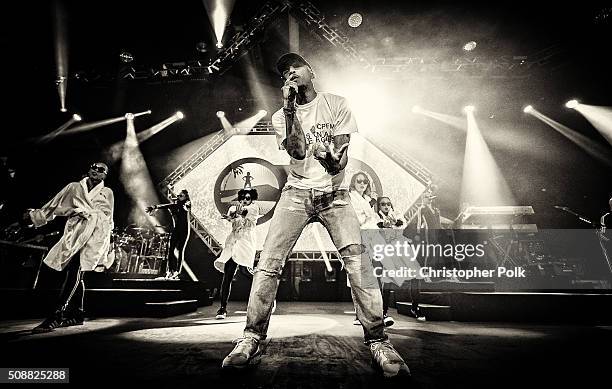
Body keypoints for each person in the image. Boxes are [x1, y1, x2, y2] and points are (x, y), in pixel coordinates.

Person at [221, 52, 410, 377]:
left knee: (358, 263)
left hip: (335, 195)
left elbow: (340, 161)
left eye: (295, 67)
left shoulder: (337, 103)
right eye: (284, 72)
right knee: (267, 263)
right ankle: (251, 337)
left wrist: (329, 157)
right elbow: (295, 150)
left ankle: (379, 341)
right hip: (295, 194)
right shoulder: (283, 115)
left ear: (312, 71)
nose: (290, 73)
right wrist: (292, 108)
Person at [26, 162, 115, 333]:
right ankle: (78, 314)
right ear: (89, 170)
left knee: (76, 269)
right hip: (77, 231)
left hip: (96, 234)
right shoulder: (74, 187)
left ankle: (56, 315)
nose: (96, 171)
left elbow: (110, 217)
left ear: (105, 175)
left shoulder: (107, 192)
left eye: (101, 170)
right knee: (75, 272)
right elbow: (55, 204)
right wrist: (36, 217)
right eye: (93, 168)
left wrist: (109, 243)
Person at [348, 172, 395, 327]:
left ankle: (380, 314)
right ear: (353, 183)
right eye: (359, 181)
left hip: (374, 240)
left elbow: (374, 221)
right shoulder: (351, 198)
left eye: (365, 182)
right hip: (359, 241)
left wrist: (383, 224)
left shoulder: (368, 200)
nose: (362, 184)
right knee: (360, 279)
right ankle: (361, 315)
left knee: (377, 276)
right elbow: (357, 220)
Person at [377, 196, 426, 322]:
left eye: (388, 203)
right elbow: (377, 229)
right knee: (387, 280)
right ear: (379, 206)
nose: (386, 206)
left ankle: (415, 307)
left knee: (417, 275)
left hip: (403, 248)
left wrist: (394, 222)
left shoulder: (396, 214)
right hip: (389, 250)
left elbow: (402, 223)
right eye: (383, 204)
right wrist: (384, 224)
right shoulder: (376, 217)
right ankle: (383, 312)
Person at [214, 189, 260, 319]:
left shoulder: (254, 208)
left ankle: (265, 295)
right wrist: (232, 217)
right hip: (233, 242)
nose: (245, 200)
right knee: (227, 276)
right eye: (243, 197)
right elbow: (232, 221)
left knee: (245, 271)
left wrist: (241, 215)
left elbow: (250, 223)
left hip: (246, 242)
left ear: (252, 199)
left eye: (248, 198)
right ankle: (222, 309)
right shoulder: (233, 208)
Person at [146, 189, 191, 279]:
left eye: (181, 196)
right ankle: (170, 271)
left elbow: (187, 205)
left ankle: (177, 271)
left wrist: (186, 205)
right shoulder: (174, 205)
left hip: (184, 230)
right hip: (176, 230)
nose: (178, 197)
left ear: (185, 197)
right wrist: (154, 207)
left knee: (181, 250)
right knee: (170, 250)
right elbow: (165, 206)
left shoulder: (187, 204)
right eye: (178, 195)